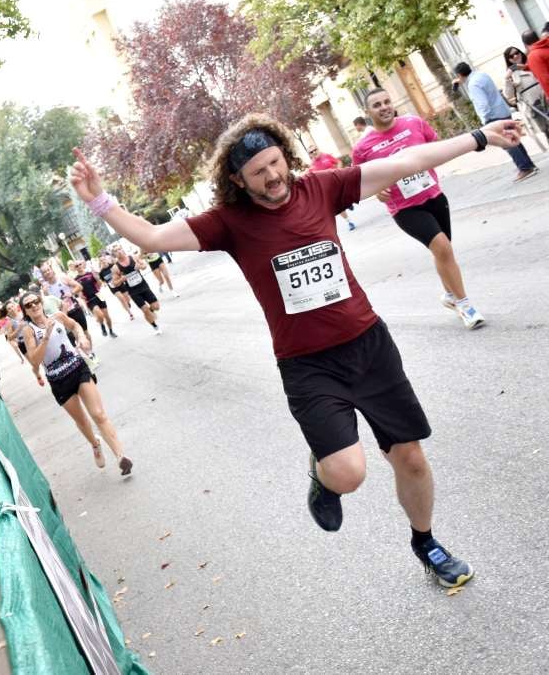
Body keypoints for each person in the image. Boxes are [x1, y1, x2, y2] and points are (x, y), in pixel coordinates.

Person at [70, 113, 524, 588]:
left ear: (285, 155)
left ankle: (426, 543)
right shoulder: (229, 223)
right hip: (308, 367)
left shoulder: (321, 188)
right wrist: (100, 200)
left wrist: (478, 138)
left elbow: (404, 161)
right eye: (259, 173)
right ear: (237, 181)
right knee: (348, 474)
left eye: (276, 163)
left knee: (409, 457)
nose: (273, 177)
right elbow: (153, 237)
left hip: (369, 346)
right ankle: (323, 475)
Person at [353, 88, 484, 328]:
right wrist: (376, 193)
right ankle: (465, 306)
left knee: (443, 251)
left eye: (386, 101)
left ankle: (448, 295)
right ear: (367, 112)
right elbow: (360, 180)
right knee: (442, 247)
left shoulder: (413, 123)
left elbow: (435, 149)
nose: (383, 107)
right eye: (376, 104)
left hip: (434, 196)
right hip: (405, 209)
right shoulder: (363, 148)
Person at [18, 291, 132, 475]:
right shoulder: (29, 330)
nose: (34, 306)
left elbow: (75, 326)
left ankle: (121, 456)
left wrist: (82, 337)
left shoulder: (58, 316)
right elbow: (35, 360)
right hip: (59, 380)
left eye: (36, 301)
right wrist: (46, 336)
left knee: (99, 414)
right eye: (29, 305)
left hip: (78, 368)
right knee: (82, 421)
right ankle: (95, 444)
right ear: (25, 311)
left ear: (41, 301)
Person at [454, 62, 537, 181]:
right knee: (514, 139)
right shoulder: (482, 75)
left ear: (459, 75)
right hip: (503, 111)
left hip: (493, 117)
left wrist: (485, 120)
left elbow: (483, 104)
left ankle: (525, 168)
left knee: (506, 143)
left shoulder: (473, 84)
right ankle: (529, 165)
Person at [39, 260, 92, 350]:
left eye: (48, 270)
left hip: (74, 308)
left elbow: (79, 286)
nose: (47, 272)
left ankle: (90, 351)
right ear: (43, 275)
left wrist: (71, 292)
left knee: (85, 332)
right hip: (63, 315)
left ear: (52, 270)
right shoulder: (45, 288)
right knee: (74, 335)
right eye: (45, 272)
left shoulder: (63, 278)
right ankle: (88, 355)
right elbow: (48, 305)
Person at [110, 246, 162, 333]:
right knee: (145, 309)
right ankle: (155, 326)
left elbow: (144, 265)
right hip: (133, 291)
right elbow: (114, 283)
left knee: (156, 307)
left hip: (143, 285)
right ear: (114, 254)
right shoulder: (115, 268)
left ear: (123, 249)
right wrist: (121, 279)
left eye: (119, 249)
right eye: (116, 251)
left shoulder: (133, 257)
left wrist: (140, 266)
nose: (119, 251)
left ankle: (150, 311)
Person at [503, 43, 549, 136]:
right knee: (547, 131)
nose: (515, 56)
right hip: (535, 106)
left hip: (546, 97)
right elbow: (508, 95)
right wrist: (507, 79)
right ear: (509, 60)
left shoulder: (533, 61)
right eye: (511, 56)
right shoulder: (512, 75)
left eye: (517, 53)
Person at [309, 147, 356, 231]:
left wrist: (338, 170)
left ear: (318, 149)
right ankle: (349, 222)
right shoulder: (312, 166)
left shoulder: (326, 156)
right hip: (328, 187)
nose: (314, 152)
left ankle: (348, 203)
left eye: (315, 150)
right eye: (311, 152)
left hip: (337, 180)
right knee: (337, 205)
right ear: (310, 155)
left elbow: (338, 162)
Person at [69, 259, 116, 337]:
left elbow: (100, 285)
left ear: (82, 264)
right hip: (89, 299)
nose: (79, 267)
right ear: (75, 268)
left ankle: (111, 331)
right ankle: (102, 325)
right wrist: (80, 295)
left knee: (106, 315)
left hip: (98, 295)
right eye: (76, 266)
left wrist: (97, 278)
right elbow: (77, 291)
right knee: (100, 314)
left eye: (79, 264)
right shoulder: (76, 279)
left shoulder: (90, 274)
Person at [97, 253, 134, 320]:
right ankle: (130, 313)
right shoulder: (101, 272)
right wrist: (105, 283)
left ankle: (128, 303)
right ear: (100, 262)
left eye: (104, 259)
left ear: (106, 259)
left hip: (120, 283)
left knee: (127, 298)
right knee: (122, 299)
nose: (103, 261)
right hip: (113, 287)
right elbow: (102, 280)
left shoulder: (112, 266)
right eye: (101, 260)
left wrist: (121, 276)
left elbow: (120, 272)